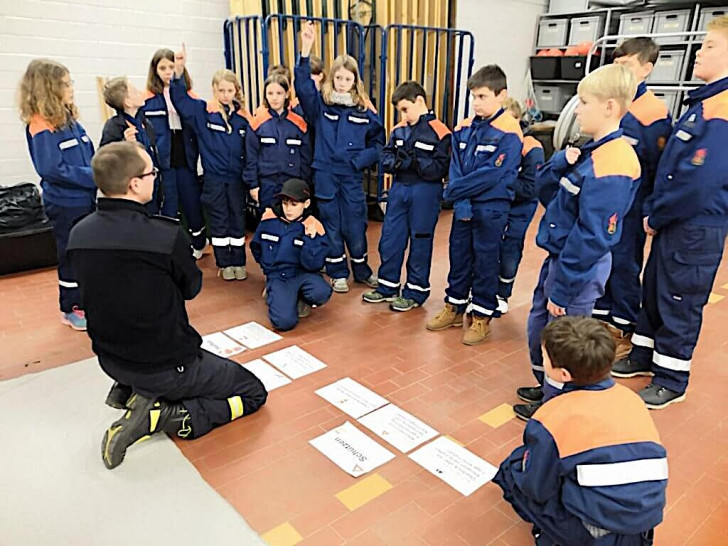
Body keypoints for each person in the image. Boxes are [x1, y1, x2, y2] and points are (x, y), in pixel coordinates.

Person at [66, 142, 267, 470]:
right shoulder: (164, 236)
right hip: (168, 365)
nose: (154, 179)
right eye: (151, 173)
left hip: (110, 360)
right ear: (134, 184)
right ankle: (163, 417)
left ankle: (138, 391)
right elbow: (192, 287)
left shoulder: (79, 234)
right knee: (253, 392)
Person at [514, 64, 641, 420]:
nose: (577, 109)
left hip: (577, 268)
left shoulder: (613, 162)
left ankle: (557, 407)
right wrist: (557, 164)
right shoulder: (589, 151)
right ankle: (546, 390)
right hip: (561, 259)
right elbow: (549, 196)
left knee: (563, 341)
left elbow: (593, 236)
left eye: (584, 102)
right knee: (542, 328)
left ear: (610, 107)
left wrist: (564, 289)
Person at [625, 15, 728, 409]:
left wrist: (657, 214)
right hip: (673, 219)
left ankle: (671, 377)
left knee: (680, 299)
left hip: (695, 225)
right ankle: (643, 355)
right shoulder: (703, 103)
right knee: (654, 289)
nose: (698, 53)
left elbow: (699, 182)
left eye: (709, 46)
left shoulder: (722, 111)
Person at [494, 317, 667, 546]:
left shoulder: (552, 417)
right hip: (644, 526)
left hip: (595, 533)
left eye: (544, 357)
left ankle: (557, 536)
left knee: (512, 469)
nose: (543, 360)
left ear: (564, 374)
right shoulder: (631, 399)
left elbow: (536, 488)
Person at [425, 65, 523, 345]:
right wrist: (460, 198)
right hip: (464, 207)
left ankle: (481, 317)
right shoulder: (464, 127)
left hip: (492, 209)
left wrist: (454, 190)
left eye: (482, 96)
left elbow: (492, 174)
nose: (476, 102)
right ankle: (454, 307)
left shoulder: (509, 131)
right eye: (473, 97)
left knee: (485, 262)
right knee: (459, 257)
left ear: (501, 95)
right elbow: (456, 165)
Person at [592, 38, 673, 364]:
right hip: (606, 199)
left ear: (647, 69)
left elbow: (660, 167)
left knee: (624, 265)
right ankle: (601, 320)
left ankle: (623, 327)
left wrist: (651, 210)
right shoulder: (611, 102)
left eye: (626, 66)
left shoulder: (652, 113)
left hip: (634, 203)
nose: (619, 72)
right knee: (603, 261)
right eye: (616, 65)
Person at [295, 21, 385, 293]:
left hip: (351, 176)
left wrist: (360, 160)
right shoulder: (320, 105)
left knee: (355, 223)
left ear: (354, 81)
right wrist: (305, 50)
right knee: (331, 224)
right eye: (338, 78)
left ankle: (361, 269)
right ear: (331, 78)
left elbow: (379, 143)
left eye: (347, 79)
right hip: (325, 174)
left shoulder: (363, 110)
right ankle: (337, 272)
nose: (342, 83)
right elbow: (302, 87)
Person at [19, 59, 96, 331]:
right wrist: (92, 177)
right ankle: (71, 307)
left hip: (86, 200)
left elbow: (89, 155)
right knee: (70, 253)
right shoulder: (41, 125)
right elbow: (53, 169)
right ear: (49, 88)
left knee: (86, 253)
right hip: (65, 204)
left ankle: (89, 301)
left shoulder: (70, 121)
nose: (71, 88)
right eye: (65, 84)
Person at [362, 81, 450, 312]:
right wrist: (396, 162)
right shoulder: (399, 129)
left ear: (419, 101)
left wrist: (416, 163)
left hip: (425, 191)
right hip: (399, 189)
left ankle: (415, 292)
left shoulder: (441, 132)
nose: (403, 115)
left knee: (420, 242)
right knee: (391, 238)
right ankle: (387, 286)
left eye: (405, 109)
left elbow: (441, 167)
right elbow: (386, 154)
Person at [170, 46, 253, 281]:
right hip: (214, 179)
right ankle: (224, 262)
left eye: (230, 90)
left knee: (237, 218)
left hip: (236, 180)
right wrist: (179, 71)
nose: (226, 94)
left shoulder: (243, 118)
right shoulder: (203, 112)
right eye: (221, 90)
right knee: (219, 220)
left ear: (236, 91)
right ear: (214, 89)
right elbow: (181, 101)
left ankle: (239, 261)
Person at [143, 47, 206, 255]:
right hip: (164, 162)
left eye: (171, 66)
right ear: (155, 70)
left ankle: (198, 242)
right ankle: (172, 248)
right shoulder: (147, 99)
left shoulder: (189, 95)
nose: (167, 71)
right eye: (162, 68)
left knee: (192, 203)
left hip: (186, 158)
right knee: (169, 205)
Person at [251, 178, 332, 331]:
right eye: (285, 204)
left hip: (304, 273)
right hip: (278, 276)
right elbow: (256, 247)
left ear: (306, 204)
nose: (288, 209)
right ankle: (273, 292)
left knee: (321, 292)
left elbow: (315, 264)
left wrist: (310, 239)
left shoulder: (313, 225)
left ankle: (300, 297)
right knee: (284, 323)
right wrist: (268, 270)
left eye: (294, 205)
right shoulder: (269, 221)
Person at [496, 97, 545, 314]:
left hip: (519, 209)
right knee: (487, 247)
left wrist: (500, 180)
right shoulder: (494, 141)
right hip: (496, 205)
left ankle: (502, 292)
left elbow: (529, 189)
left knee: (510, 248)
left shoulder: (532, 148)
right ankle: (484, 288)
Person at [245, 73, 312, 211]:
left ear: (287, 94)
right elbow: (250, 157)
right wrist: (253, 185)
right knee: (268, 224)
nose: (274, 98)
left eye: (279, 93)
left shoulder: (299, 123)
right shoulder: (256, 123)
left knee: (292, 224)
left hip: (292, 185)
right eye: (270, 93)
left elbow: (306, 159)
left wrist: (304, 185)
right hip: (266, 185)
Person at [100, 76, 159, 172]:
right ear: (128, 102)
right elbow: (104, 159)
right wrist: (125, 144)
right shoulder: (113, 127)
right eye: (135, 92)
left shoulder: (145, 123)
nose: (140, 92)